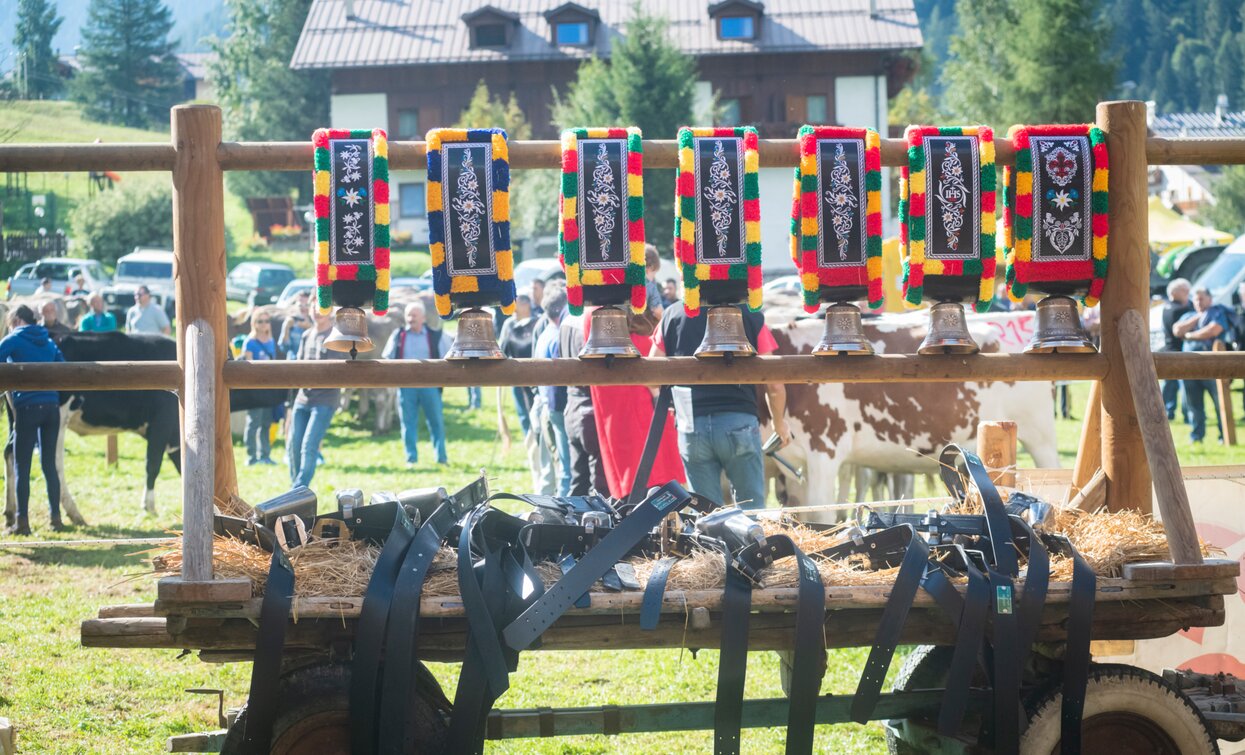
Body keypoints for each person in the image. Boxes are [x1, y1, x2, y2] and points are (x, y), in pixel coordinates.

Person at [651, 303, 792, 509]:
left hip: (691, 426)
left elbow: (652, 377)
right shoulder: (750, 314)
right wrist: (779, 424)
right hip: (739, 422)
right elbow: (775, 384)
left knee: (707, 519)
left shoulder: (672, 315)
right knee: (751, 512)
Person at [590, 308, 685, 498]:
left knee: (640, 487)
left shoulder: (599, 340)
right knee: (657, 485)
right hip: (644, 418)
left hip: (626, 422)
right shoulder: (644, 336)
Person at [1, 305, 65, 535]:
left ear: (16, 319)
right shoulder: (48, 341)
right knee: (49, 465)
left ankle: (22, 522)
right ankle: (56, 519)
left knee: (22, 467)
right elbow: (63, 364)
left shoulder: (13, 338)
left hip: (27, 407)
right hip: (51, 407)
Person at [382, 300, 452, 466]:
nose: (411, 318)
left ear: (423, 318)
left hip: (430, 386)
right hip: (406, 387)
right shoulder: (398, 335)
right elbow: (387, 357)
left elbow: (448, 356)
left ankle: (441, 458)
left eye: (414, 315)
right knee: (407, 423)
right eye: (408, 315)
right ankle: (411, 458)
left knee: (436, 422)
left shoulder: (435, 335)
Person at [288, 308, 347, 487]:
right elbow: (299, 364)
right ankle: (297, 490)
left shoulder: (335, 337)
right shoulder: (307, 335)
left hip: (324, 400)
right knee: (294, 445)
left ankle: (296, 490)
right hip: (302, 397)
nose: (317, 312)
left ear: (330, 312)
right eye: (315, 308)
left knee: (309, 446)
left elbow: (336, 370)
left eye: (322, 309)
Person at [1173, 286, 1233, 444]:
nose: (1198, 302)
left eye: (1201, 298)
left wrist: (1190, 335)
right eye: (1196, 299)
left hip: (1213, 368)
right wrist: (1197, 317)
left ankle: (1224, 436)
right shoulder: (1188, 314)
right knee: (1194, 405)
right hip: (1189, 370)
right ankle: (1197, 436)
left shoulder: (1217, 312)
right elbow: (1177, 330)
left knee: (1219, 403)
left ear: (1210, 299)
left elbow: (1213, 330)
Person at [559, 310, 607, 496]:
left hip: (572, 407)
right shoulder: (594, 319)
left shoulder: (566, 321)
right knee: (600, 491)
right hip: (591, 409)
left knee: (578, 484)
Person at [534, 283, 572, 495]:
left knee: (561, 466)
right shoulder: (558, 336)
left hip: (548, 404)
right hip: (560, 405)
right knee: (567, 470)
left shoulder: (544, 334)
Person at [498, 290, 538, 434]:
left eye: (517, 304)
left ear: (526, 305)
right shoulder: (509, 324)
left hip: (536, 374)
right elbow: (502, 348)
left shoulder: (537, 322)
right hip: (515, 375)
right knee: (523, 413)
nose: (514, 308)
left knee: (536, 411)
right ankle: (529, 444)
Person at [242, 307, 278, 465]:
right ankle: (251, 456)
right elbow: (247, 366)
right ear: (254, 323)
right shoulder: (250, 342)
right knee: (253, 423)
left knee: (266, 423)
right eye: (260, 321)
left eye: (266, 321)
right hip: (255, 388)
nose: (264, 324)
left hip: (269, 388)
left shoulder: (271, 341)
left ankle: (265, 455)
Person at [1160, 278, 1193, 420]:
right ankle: (1185, 413)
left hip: (1169, 349)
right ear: (1176, 292)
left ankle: (1165, 410)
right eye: (1185, 290)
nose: (1188, 293)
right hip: (1178, 350)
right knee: (1185, 385)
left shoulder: (1167, 307)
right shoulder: (1181, 309)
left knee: (1169, 385)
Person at [278, 290, 313, 359]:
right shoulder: (291, 321)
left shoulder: (317, 321)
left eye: (307, 305)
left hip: (310, 363)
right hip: (293, 363)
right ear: (296, 305)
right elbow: (284, 349)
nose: (304, 308)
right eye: (300, 305)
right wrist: (286, 329)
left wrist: (311, 328)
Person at [644, 245, 665, 319]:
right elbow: (658, 310)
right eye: (654, 273)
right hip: (642, 328)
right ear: (651, 267)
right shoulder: (650, 284)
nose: (654, 278)